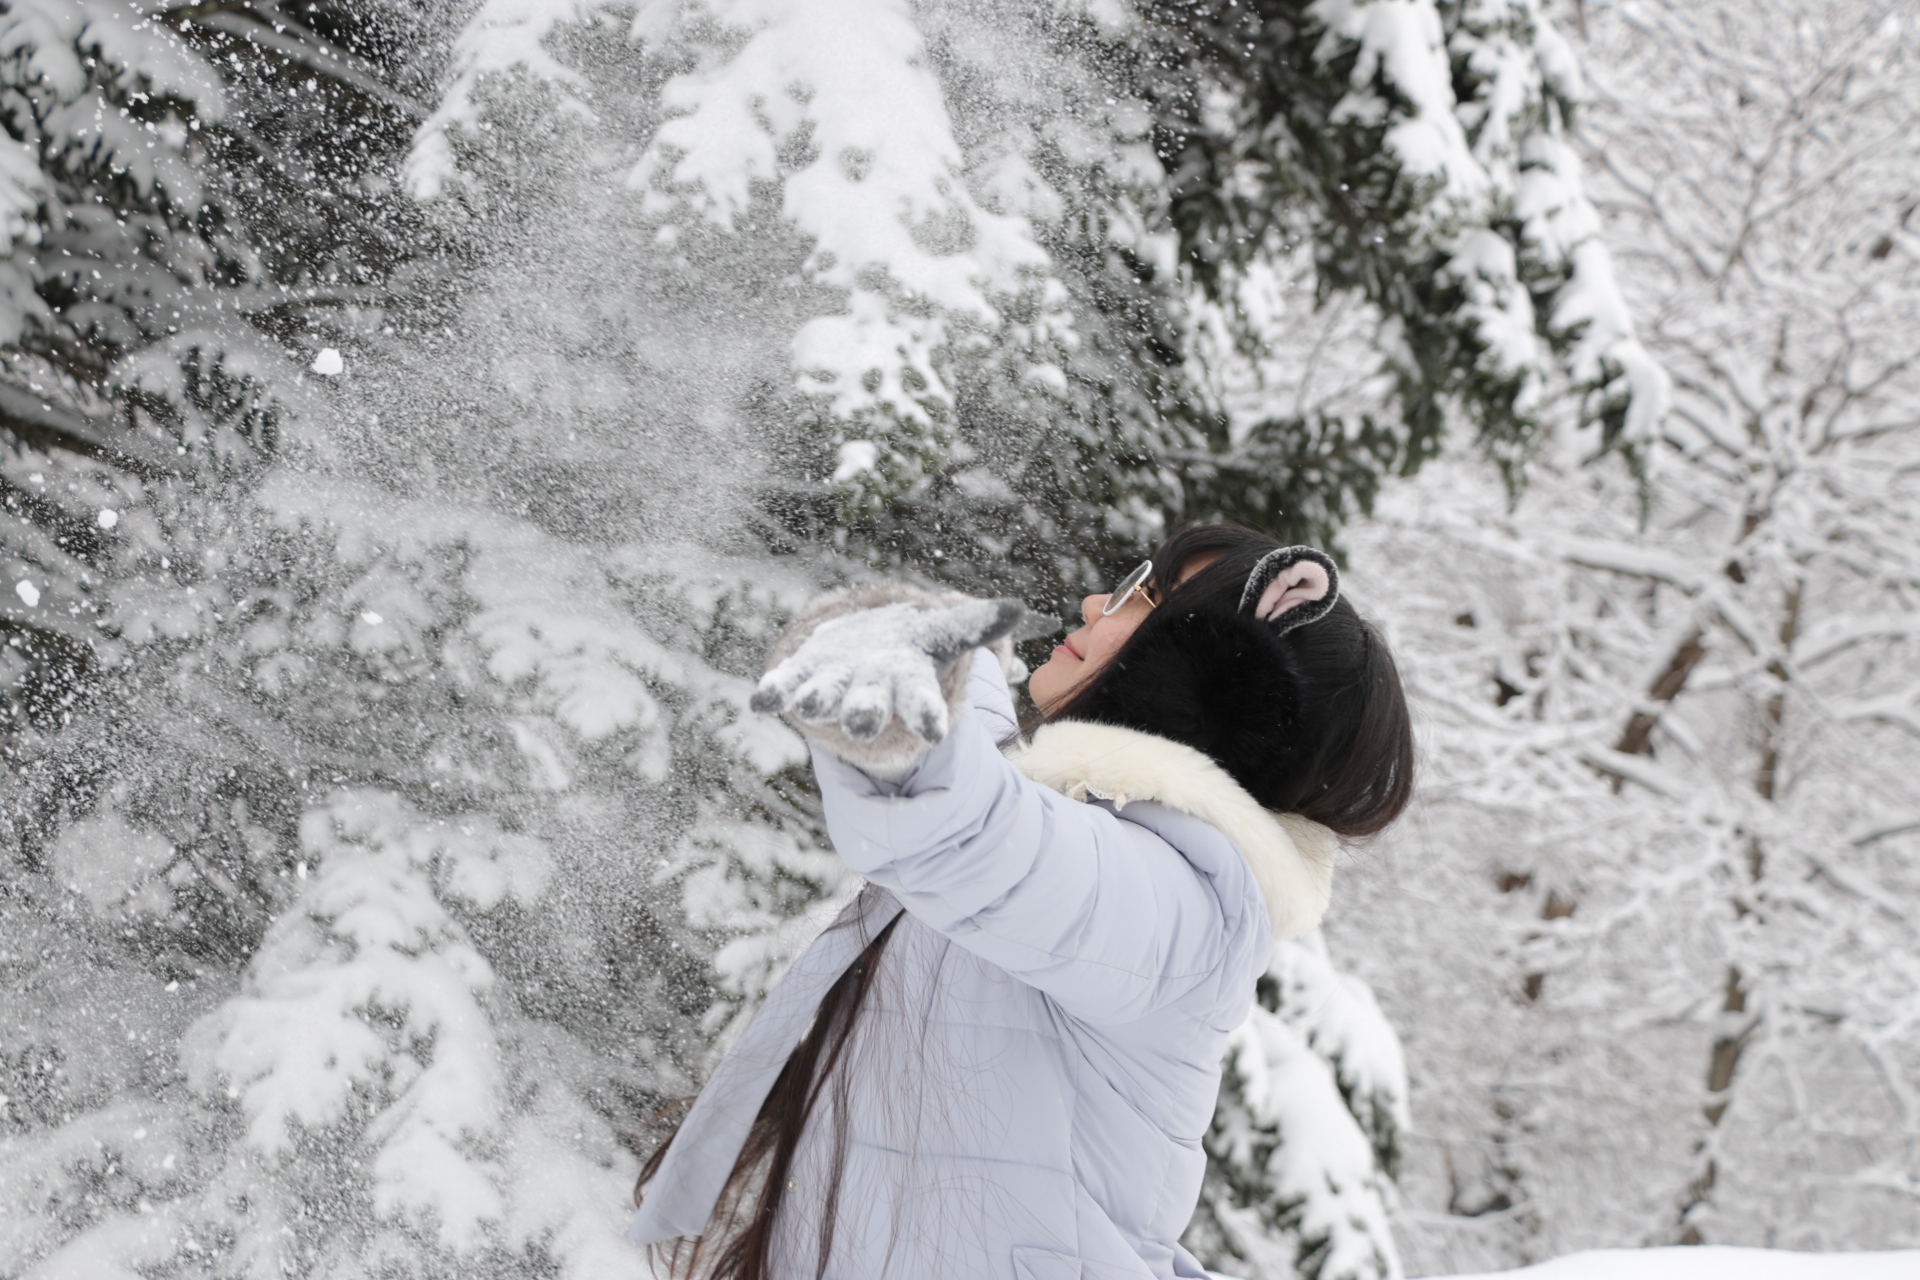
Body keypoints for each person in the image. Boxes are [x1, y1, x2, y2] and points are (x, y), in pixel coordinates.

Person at [628, 522, 1414, 1280]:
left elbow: (967, 838)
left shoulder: (1185, 908)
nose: (1095, 607)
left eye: (1143, 595)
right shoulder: (1076, 841)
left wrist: (938, 702)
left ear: (1217, 664)